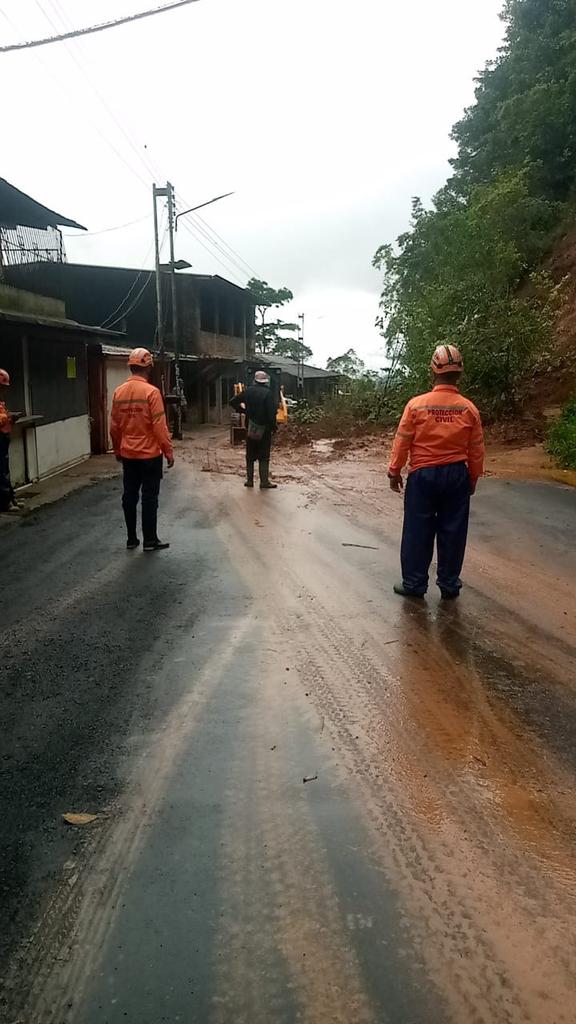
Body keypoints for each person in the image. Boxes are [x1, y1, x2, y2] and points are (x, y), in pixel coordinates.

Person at [388, 344, 485, 599]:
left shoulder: (416, 406)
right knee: (453, 531)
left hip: (423, 475)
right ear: (459, 373)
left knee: (417, 530)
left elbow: (402, 440)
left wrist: (394, 470)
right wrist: (473, 478)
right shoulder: (469, 409)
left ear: (433, 369)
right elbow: (476, 450)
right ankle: (449, 585)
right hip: (456, 476)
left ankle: (414, 584)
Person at [110, 348, 174, 551]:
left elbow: (114, 426)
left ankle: (131, 539)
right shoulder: (151, 392)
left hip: (128, 454)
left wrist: (117, 450)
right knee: (149, 497)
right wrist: (168, 451)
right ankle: (149, 540)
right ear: (149, 367)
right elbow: (159, 427)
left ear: (131, 366)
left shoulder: (118, 392)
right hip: (150, 456)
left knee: (129, 495)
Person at [230, 370, 278, 489]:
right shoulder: (268, 393)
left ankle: (250, 481)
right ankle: (264, 482)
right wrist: (274, 427)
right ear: (265, 381)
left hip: (251, 427)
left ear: (255, 380)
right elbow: (271, 413)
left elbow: (233, 401)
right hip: (265, 429)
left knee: (250, 455)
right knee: (264, 456)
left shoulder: (248, 391)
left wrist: (244, 411)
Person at [0, 368, 23, 513]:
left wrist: (11, 417)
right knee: (1, 472)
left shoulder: (1, 403)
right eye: (2, 387)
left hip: (3, 438)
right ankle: (5, 503)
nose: (4, 390)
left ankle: (11, 498)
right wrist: (8, 417)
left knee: (5, 471)